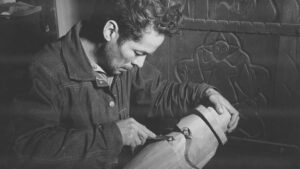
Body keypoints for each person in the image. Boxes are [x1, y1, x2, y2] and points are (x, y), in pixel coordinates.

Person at [11, 0, 239, 169]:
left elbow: (158, 93)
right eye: (138, 52)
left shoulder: (121, 62)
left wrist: (204, 92)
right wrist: (114, 135)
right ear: (110, 31)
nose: (140, 63)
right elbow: (27, 149)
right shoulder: (45, 70)